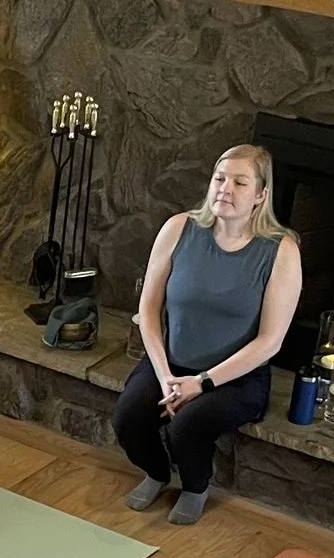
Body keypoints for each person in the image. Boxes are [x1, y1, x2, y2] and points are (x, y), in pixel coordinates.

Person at [112, 144, 304, 525]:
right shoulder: (178, 229)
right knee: (128, 416)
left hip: (237, 378)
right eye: (220, 179)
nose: (225, 189)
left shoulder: (281, 251)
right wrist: (165, 376)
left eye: (240, 183)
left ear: (260, 195)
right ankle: (157, 472)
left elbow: (270, 342)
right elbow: (148, 311)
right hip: (171, 363)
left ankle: (196, 486)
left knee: (186, 425)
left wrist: (200, 383)